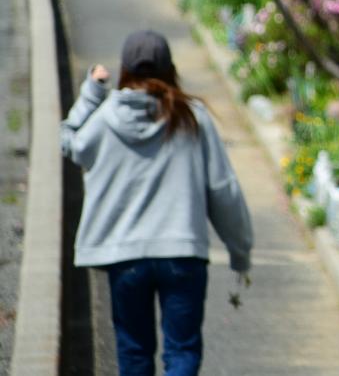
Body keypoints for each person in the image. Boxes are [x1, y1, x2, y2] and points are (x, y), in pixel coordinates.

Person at [61, 30, 254, 376]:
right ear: (170, 69)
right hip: (182, 252)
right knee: (181, 352)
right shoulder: (191, 116)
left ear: (126, 70)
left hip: (125, 256)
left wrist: (91, 94)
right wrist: (240, 251)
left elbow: (71, 144)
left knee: (134, 354)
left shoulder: (105, 118)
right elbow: (223, 189)